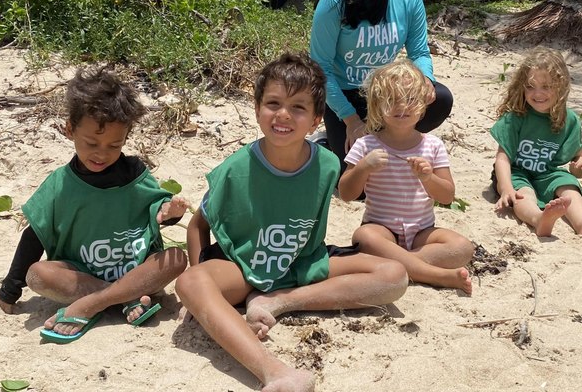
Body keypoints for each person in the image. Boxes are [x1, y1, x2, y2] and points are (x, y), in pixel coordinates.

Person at [175, 52, 408, 392]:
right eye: (273, 103)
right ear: (257, 109)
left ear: (316, 120)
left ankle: (279, 301)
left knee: (394, 276)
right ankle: (274, 371)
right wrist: (200, 295)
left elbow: (348, 193)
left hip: (302, 262)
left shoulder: (328, 164)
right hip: (242, 266)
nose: (283, 115)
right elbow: (198, 226)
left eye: (298, 107)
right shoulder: (235, 168)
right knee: (191, 283)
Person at [0, 68, 189, 343]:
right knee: (37, 275)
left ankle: (90, 305)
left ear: (126, 138)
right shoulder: (60, 184)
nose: (101, 154)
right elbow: (33, 237)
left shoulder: (133, 172)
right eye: (91, 142)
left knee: (177, 258)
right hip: (82, 275)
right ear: (70, 130)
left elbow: (157, 210)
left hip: (135, 269)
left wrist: (169, 213)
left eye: (113, 145)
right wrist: (8, 292)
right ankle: (120, 299)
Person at [310, 0, 453, 174]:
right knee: (357, 184)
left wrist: (426, 80)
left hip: (387, 94)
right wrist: (351, 119)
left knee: (440, 98)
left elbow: (419, 51)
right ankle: (329, 141)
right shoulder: (333, 3)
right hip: (345, 96)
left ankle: (393, 140)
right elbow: (321, 69)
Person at [338, 59, 473, 294]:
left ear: (423, 104)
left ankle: (403, 265)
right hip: (381, 229)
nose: (402, 107)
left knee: (462, 247)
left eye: (410, 99)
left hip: (422, 232)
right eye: (393, 101)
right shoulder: (366, 144)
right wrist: (362, 168)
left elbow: (448, 196)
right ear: (378, 106)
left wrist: (428, 178)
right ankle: (433, 275)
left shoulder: (432, 146)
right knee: (364, 236)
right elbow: (346, 194)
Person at [491, 47, 582, 238]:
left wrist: (578, 168)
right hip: (516, 172)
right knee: (523, 194)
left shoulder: (570, 120)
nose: (538, 93)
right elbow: (502, 158)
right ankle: (538, 219)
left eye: (546, 86)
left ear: (561, 86)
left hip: (548, 173)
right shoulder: (516, 117)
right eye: (530, 86)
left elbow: (579, 155)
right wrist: (506, 187)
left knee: (568, 184)